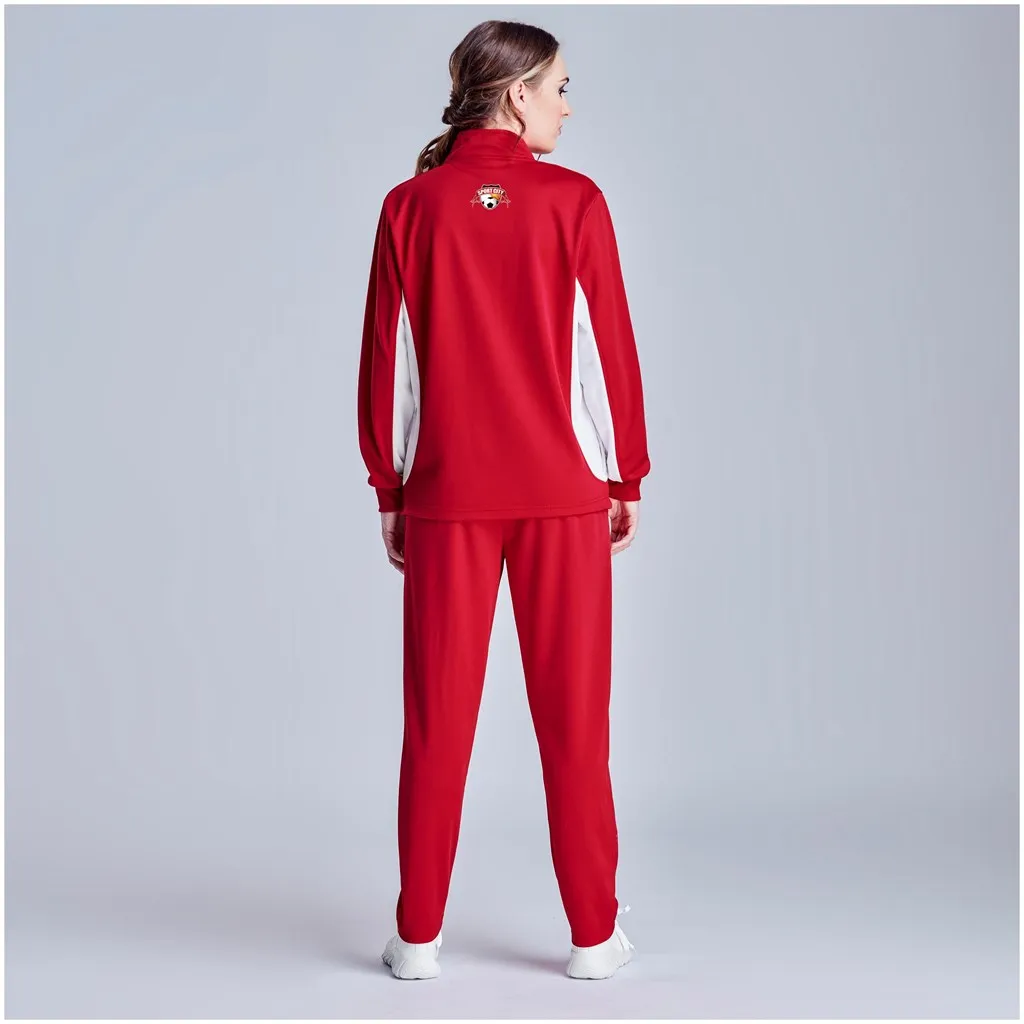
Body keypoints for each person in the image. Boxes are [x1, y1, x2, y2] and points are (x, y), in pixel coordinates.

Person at [357, 19, 651, 981]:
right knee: (576, 722)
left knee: (435, 725)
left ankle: (416, 939)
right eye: (559, 87)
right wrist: (624, 475)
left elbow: (389, 361)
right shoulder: (575, 202)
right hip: (562, 497)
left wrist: (392, 487)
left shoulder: (410, 206)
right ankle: (594, 938)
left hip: (448, 497)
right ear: (516, 93)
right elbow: (606, 351)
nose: (568, 105)